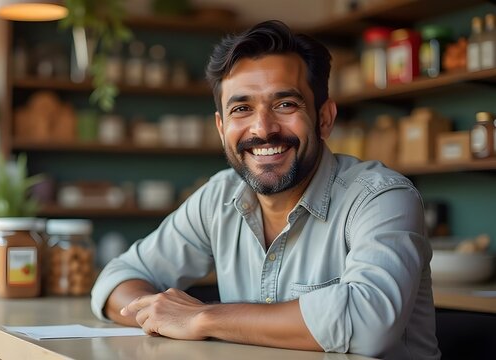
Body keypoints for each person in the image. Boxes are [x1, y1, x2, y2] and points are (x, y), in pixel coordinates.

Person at [91, 20, 440, 360]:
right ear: (221, 126)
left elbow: (369, 324)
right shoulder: (218, 198)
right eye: (241, 109)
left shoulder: (381, 197)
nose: (263, 129)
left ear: (324, 118)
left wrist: (202, 317)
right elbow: (117, 281)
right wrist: (160, 313)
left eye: (285, 104)